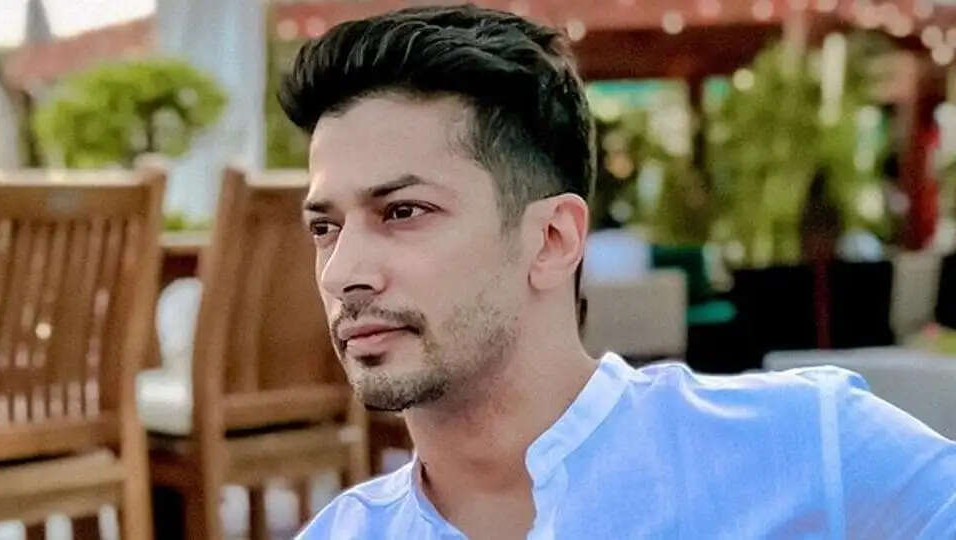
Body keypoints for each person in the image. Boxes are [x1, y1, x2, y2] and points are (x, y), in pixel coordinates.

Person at [280, 5, 956, 538]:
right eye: (324, 228)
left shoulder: (802, 448)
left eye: (402, 212)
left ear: (552, 239)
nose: (343, 272)